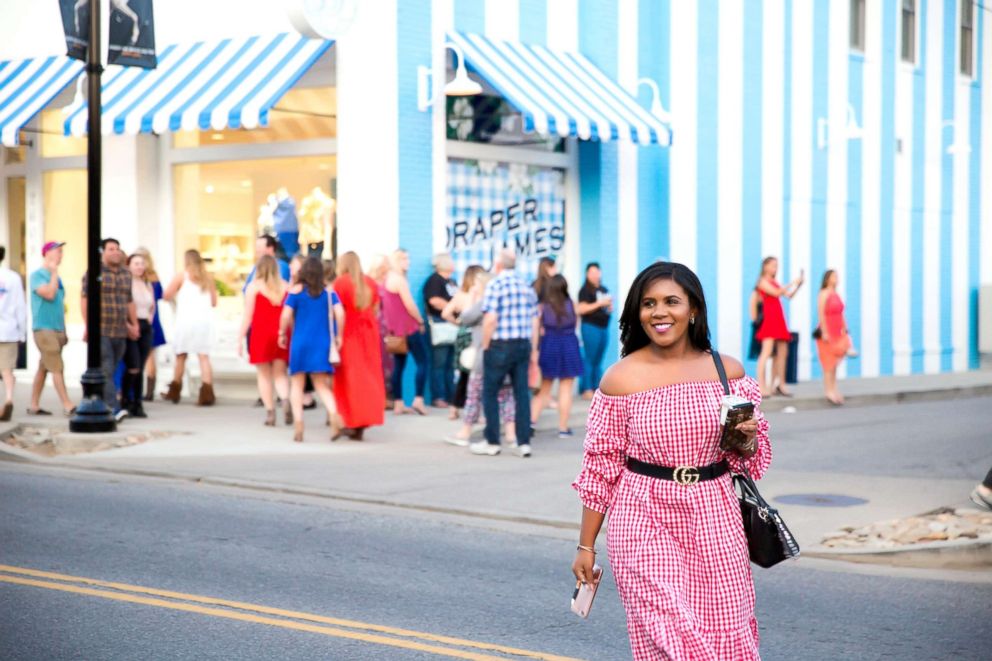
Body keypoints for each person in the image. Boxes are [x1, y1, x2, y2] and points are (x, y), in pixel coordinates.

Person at [571, 261, 771, 660]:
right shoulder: (620, 378)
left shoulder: (727, 371)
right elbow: (600, 467)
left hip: (715, 515)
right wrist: (586, 545)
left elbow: (747, 460)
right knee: (669, 633)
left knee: (727, 628)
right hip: (643, 517)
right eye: (648, 303)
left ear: (693, 308)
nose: (658, 312)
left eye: (671, 301)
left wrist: (746, 440)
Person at [474, 248, 539, 457]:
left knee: (490, 392)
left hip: (500, 344)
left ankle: (492, 441)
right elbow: (535, 320)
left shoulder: (495, 284)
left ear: (499, 265)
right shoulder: (526, 286)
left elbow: (490, 319)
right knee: (521, 393)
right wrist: (533, 348)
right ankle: (523, 442)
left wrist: (485, 345)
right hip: (522, 344)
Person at [442, 269, 518, 447]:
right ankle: (511, 434)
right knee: (506, 395)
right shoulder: (504, 302)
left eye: (476, 284)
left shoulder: (484, 302)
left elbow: (465, 318)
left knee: (474, 394)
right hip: (505, 355)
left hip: (483, 357)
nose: (473, 287)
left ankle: (465, 432)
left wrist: (473, 297)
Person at [279, 256, 344, 442]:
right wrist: (339, 335)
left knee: (297, 385)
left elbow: (285, 315)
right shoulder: (328, 293)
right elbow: (340, 312)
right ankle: (334, 416)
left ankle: (299, 426)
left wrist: (282, 332)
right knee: (321, 384)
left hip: (300, 342)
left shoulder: (295, 292)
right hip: (321, 342)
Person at [81, 238, 138, 418]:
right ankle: (114, 408)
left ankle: (97, 400)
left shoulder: (125, 274)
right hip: (101, 329)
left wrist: (134, 324)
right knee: (106, 367)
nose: (115, 252)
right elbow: (85, 300)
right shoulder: (94, 271)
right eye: (111, 249)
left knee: (111, 369)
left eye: (117, 249)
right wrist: (88, 325)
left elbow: (129, 300)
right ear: (102, 252)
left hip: (120, 331)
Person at [332, 251, 385, 440]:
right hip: (369, 333)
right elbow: (377, 309)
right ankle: (363, 422)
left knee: (349, 378)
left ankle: (351, 420)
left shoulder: (340, 283)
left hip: (349, 333)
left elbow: (336, 311)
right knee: (368, 376)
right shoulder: (370, 282)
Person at [239, 255, 290, 426]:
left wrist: (239, 338)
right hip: (281, 333)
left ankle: (270, 412)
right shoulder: (285, 287)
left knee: (263, 375)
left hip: (260, 334)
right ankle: (285, 400)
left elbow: (248, 315)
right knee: (280, 373)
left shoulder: (253, 287)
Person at [161, 249, 218, 406]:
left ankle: (175, 390)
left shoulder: (182, 276)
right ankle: (207, 393)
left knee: (180, 356)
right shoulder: (208, 278)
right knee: (204, 357)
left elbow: (166, 295)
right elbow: (214, 302)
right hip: (204, 322)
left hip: (186, 321)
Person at [531, 274, 583, 437]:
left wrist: (534, 350)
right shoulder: (572, 305)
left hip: (550, 345)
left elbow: (537, 330)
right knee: (566, 388)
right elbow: (575, 326)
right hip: (569, 345)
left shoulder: (543, 307)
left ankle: (530, 423)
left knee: (544, 389)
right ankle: (563, 428)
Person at [27, 241, 75, 416]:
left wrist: (64, 329)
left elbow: (60, 305)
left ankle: (34, 404)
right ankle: (67, 404)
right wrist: (53, 272)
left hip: (57, 328)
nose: (61, 255)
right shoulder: (37, 275)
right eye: (58, 251)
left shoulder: (57, 278)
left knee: (44, 366)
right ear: (47, 254)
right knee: (57, 366)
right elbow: (49, 294)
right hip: (43, 327)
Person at [383, 249, 429, 416]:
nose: (408, 262)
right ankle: (419, 399)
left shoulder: (387, 279)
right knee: (423, 362)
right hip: (408, 328)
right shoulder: (400, 280)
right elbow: (409, 305)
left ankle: (398, 403)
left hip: (394, 330)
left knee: (399, 366)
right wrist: (420, 321)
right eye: (405, 259)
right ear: (397, 261)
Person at [441, 264, 486, 423]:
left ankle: (454, 408)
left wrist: (458, 324)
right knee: (480, 374)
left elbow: (445, 313)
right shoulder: (481, 295)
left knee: (464, 374)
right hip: (476, 337)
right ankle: (479, 413)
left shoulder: (460, 295)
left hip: (461, 337)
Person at [754, 256, 804, 397]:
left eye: (776, 265)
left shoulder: (775, 282)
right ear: (765, 266)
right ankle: (761, 386)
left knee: (783, 353)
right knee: (766, 352)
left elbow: (788, 295)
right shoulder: (762, 281)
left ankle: (779, 384)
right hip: (769, 320)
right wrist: (791, 283)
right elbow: (776, 293)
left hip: (779, 319)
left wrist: (798, 285)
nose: (775, 268)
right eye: (773, 265)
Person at [815, 269, 858, 406]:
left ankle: (834, 389)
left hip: (837, 330)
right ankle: (828, 391)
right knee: (828, 363)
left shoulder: (836, 294)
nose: (836, 278)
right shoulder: (824, 293)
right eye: (834, 276)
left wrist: (845, 329)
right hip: (827, 330)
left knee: (835, 363)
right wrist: (824, 331)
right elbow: (821, 313)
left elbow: (841, 313)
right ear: (827, 278)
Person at [121, 253, 156, 418]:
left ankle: (137, 403)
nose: (140, 267)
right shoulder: (126, 283)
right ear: (129, 265)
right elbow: (124, 305)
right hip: (130, 325)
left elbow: (152, 305)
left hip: (145, 326)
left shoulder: (147, 283)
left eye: (142, 263)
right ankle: (126, 399)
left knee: (141, 366)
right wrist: (130, 325)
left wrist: (149, 319)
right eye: (136, 263)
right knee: (133, 366)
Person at [423, 252, 458, 410]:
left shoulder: (451, 281)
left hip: (453, 325)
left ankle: (452, 396)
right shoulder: (435, 280)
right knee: (440, 362)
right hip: (441, 323)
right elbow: (434, 301)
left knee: (451, 363)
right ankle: (439, 396)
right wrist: (452, 310)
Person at [131, 247, 166, 402]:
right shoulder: (154, 277)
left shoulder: (144, 280)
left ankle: (145, 391)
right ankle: (149, 390)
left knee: (144, 356)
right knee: (150, 355)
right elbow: (161, 296)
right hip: (153, 316)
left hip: (145, 317)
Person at [577, 262, 612, 400]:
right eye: (591, 272)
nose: (595, 275)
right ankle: (586, 388)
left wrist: (608, 308)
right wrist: (600, 304)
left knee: (598, 359)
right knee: (590, 359)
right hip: (591, 327)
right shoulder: (584, 290)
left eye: (597, 272)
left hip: (604, 327)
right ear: (587, 274)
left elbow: (607, 306)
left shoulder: (604, 289)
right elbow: (581, 309)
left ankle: (597, 387)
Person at [0, 245, 26, 422]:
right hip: (8, 329)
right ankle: (8, 398)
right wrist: (22, 332)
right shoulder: (13, 277)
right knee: (7, 369)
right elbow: (20, 306)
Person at [367, 254, 395, 408]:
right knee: (379, 361)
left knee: (387, 362)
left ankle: (385, 396)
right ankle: (379, 397)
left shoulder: (387, 281)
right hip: (376, 326)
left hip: (384, 326)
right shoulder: (371, 283)